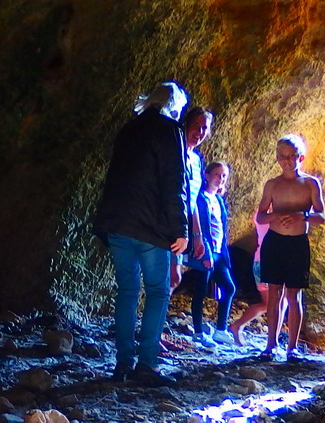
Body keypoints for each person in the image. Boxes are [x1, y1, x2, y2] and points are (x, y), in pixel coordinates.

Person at [92, 81, 189, 386]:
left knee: (127, 291)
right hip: (151, 228)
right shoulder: (170, 130)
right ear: (174, 106)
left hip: (118, 222)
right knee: (158, 292)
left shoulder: (128, 128)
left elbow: (115, 177)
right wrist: (180, 229)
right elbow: (175, 183)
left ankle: (123, 364)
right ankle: (147, 363)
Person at [256, 134, 325, 360]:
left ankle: (292, 347)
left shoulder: (310, 183)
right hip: (275, 242)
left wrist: (301, 215)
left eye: (292, 156)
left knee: (294, 295)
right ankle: (271, 344)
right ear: (277, 158)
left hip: (297, 243)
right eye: (283, 156)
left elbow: (321, 216)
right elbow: (260, 216)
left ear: (300, 157)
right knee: (274, 293)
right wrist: (275, 215)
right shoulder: (272, 185)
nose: (287, 161)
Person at [186, 162, 237, 347]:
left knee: (229, 288)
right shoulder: (200, 198)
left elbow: (221, 227)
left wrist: (223, 252)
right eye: (217, 174)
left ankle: (220, 330)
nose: (221, 179)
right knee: (200, 290)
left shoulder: (218, 200)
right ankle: (198, 332)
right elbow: (200, 226)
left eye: (224, 176)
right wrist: (205, 252)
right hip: (205, 251)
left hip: (218, 252)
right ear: (207, 176)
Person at [170, 108, 213, 294]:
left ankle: (157, 312)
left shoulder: (196, 160)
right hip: (166, 222)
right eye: (196, 126)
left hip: (183, 226)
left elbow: (192, 201)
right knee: (169, 277)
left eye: (204, 128)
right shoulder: (173, 153)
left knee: (173, 278)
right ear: (186, 125)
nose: (200, 132)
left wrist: (197, 235)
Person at [228, 213, 271, 346]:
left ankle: (238, 326)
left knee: (273, 303)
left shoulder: (266, 213)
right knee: (271, 304)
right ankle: (238, 326)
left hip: (268, 261)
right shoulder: (265, 214)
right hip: (266, 262)